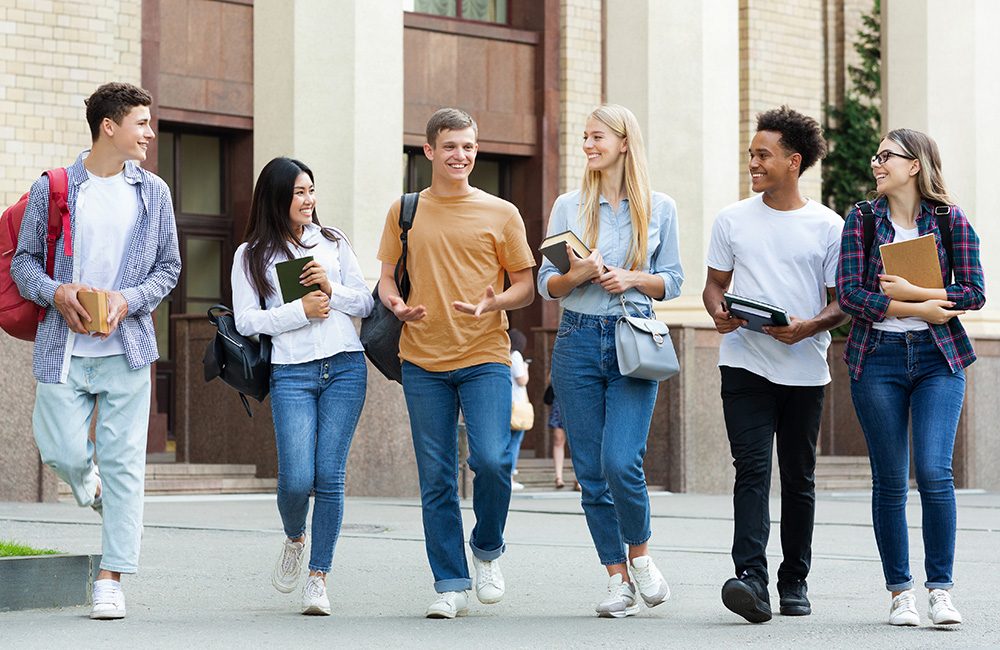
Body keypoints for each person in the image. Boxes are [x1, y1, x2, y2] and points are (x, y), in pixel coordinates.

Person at [11, 82, 181, 620]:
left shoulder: (153, 193)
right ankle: (89, 484)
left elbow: (169, 268)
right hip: (63, 347)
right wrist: (57, 292)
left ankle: (112, 577)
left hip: (127, 348)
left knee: (126, 464)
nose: (150, 134)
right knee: (59, 447)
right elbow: (23, 263)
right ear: (110, 126)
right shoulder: (56, 187)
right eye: (142, 123)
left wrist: (129, 300)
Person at [377, 108, 535, 618]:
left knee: (492, 460)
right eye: (450, 146)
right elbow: (385, 279)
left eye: (468, 146)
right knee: (437, 477)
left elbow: (526, 286)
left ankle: (487, 548)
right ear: (428, 151)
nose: (460, 155)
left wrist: (495, 303)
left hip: (485, 353)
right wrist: (396, 305)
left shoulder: (501, 212)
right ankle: (449, 581)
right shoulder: (405, 211)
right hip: (421, 359)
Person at [538, 104, 684, 618]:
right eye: (583, 137)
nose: (587, 145)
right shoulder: (568, 207)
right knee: (592, 472)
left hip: (634, 341)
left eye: (596, 136)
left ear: (624, 142)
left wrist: (630, 277)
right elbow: (546, 284)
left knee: (622, 461)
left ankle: (640, 555)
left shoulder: (659, 207)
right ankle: (617, 578)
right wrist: (578, 274)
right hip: (576, 341)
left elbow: (673, 281)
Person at [702, 106, 846, 624]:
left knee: (800, 477)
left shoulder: (830, 225)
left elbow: (841, 300)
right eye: (751, 154)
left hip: (805, 368)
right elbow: (715, 284)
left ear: (793, 161)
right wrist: (717, 311)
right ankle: (751, 580)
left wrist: (808, 326)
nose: (753, 163)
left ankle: (794, 581)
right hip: (743, 363)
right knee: (753, 471)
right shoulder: (731, 218)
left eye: (763, 154)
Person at [837, 129, 985, 627]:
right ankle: (901, 593)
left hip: (937, 359)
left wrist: (924, 290)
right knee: (890, 480)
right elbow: (852, 296)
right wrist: (916, 303)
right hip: (876, 357)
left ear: (915, 164)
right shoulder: (860, 219)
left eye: (886, 156)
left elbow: (974, 292)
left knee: (934, 471)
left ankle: (940, 590)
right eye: (876, 155)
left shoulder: (949, 219)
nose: (877, 163)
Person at [232, 157, 373, 616]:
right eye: (298, 193)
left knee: (329, 476)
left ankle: (318, 577)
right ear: (277, 198)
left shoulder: (332, 242)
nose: (309, 200)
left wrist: (331, 290)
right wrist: (300, 312)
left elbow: (367, 303)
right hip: (292, 372)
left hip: (345, 368)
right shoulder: (251, 254)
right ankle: (295, 537)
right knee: (296, 479)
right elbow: (247, 320)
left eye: (311, 190)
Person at [508, 328, 530, 491]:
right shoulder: (516, 356)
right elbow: (522, 380)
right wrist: (526, 367)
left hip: (508, 402)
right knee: (515, 441)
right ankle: (510, 476)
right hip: (517, 404)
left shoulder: (505, 354)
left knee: (508, 440)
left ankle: (507, 475)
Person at [543, 384, 568, 489]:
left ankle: (579, 479)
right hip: (560, 397)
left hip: (580, 398)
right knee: (558, 439)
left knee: (580, 442)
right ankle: (558, 477)